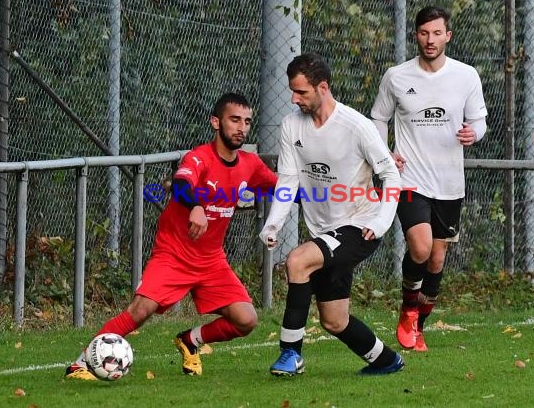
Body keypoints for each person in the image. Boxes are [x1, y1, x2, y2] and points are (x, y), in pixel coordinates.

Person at [65, 92, 277, 380]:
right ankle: (81, 363)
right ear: (216, 122)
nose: (241, 127)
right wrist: (197, 206)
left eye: (247, 122)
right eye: (234, 120)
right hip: (174, 252)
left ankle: (191, 341)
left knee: (246, 320)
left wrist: (328, 198)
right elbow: (180, 184)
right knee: (141, 310)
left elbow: (282, 189)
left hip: (211, 259)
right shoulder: (199, 157)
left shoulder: (250, 164)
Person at [259, 53, 404, 376]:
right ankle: (386, 360)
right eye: (292, 92)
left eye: (302, 93)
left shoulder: (357, 126)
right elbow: (288, 180)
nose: (295, 99)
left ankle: (290, 354)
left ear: (323, 87)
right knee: (334, 320)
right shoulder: (291, 125)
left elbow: (392, 176)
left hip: (361, 226)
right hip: (324, 231)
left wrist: (381, 222)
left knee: (297, 261)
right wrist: (273, 223)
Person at [370, 6, 488, 352]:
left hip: (449, 183)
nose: (430, 40)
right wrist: (385, 152)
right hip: (409, 179)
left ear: (448, 35)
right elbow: (378, 118)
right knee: (420, 247)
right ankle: (408, 309)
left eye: (437, 33)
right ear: (416, 36)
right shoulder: (396, 76)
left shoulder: (466, 76)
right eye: (424, 33)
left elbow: (479, 120)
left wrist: (473, 134)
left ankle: (418, 324)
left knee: (436, 259)